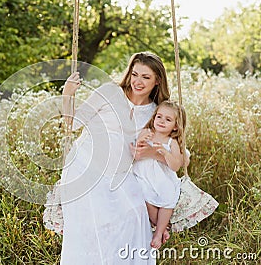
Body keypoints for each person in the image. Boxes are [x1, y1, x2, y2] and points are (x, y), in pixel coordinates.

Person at [57, 52, 175, 264]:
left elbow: (170, 147)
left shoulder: (156, 111)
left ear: (157, 80)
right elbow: (71, 123)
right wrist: (68, 93)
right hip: (86, 166)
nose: (138, 82)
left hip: (121, 173)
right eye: (134, 74)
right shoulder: (110, 92)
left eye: (146, 77)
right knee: (95, 221)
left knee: (135, 215)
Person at [132, 101, 186, 250]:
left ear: (175, 126)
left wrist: (165, 152)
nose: (161, 121)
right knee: (145, 198)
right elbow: (136, 152)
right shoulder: (146, 132)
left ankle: (159, 232)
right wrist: (141, 142)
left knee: (168, 200)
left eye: (168, 119)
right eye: (159, 117)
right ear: (154, 117)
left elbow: (175, 166)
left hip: (163, 178)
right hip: (143, 176)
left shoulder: (172, 142)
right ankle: (162, 229)